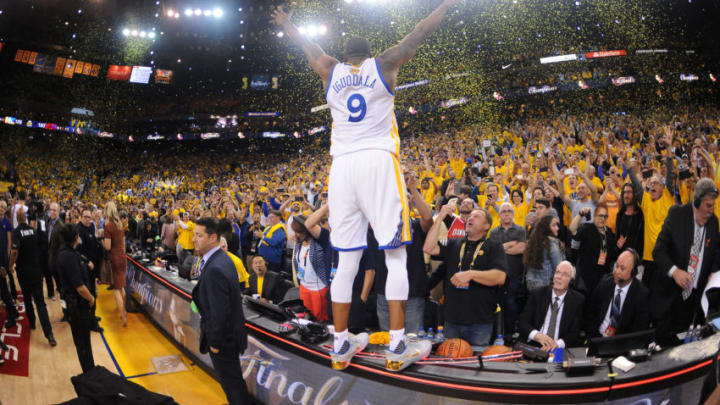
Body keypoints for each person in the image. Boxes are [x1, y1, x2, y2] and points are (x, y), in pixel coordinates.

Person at [272, 0, 464, 371]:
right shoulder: (385, 64)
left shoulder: (329, 70)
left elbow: (309, 49)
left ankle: (341, 344)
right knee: (394, 257)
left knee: (347, 261)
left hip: (341, 168)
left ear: (344, 57)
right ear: (369, 55)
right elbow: (418, 34)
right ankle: (396, 345)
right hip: (378, 161)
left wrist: (287, 24)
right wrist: (445, 6)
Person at [424, 206, 507, 348]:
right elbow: (428, 248)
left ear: (487, 226)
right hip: (451, 321)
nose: (471, 218)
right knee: (450, 364)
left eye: (477, 216)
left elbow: (500, 277)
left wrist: (471, 274)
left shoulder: (494, 246)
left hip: (479, 323)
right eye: (470, 216)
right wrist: (440, 218)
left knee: (474, 367)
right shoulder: (455, 243)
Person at [651, 178, 720, 346]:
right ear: (697, 201)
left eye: (713, 205)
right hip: (669, 298)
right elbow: (658, 250)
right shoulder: (677, 214)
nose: (712, 210)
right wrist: (674, 271)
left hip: (694, 301)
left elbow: (716, 252)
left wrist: (713, 271)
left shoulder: (713, 222)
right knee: (666, 348)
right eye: (708, 205)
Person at [191, 217, 251, 404]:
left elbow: (219, 312)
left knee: (232, 385)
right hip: (229, 335)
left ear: (213, 238)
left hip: (224, 340)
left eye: (199, 235)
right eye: (194, 235)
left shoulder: (216, 266)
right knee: (233, 383)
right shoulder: (221, 259)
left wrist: (215, 342)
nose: (194, 239)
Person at [376, 173, 433, 334]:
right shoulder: (380, 226)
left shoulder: (415, 226)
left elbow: (428, 218)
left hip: (412, 293)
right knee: (388, 341)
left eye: (403, 201)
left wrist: (413, 189)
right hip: (384, 292)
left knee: (412, 340)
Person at [10, 208, 56, 346]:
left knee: (27, 298)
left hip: (23, 272)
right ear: (25, 218)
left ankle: (33, 323)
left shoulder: (16, 232)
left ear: (17, 219)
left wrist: (11, 264)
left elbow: (14, 251)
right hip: (36, 270)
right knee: (40, 303)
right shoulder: (33, 231)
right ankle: (49, 335)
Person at [54, 224, 96, 372]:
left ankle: (89, 372)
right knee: (83, 343)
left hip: (72, 304)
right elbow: (80, 287)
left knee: (82, 342)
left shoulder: (66, 252)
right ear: (75, 238)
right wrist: (91, 299)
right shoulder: (69, 257)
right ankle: (89, 375)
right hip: (77, 306)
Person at [518, 261, 585, 351]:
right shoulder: (538, 294)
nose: (559, 277)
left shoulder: (577, 300)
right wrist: (537, 335)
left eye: (565, 274)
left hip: (559, 348)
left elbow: (574, 332)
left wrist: (558, 344)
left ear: (571, 280)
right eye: (557, 272)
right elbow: (523, 323)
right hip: (534, 344)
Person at [586, 249, 650, 338]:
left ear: (633, 272)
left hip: (622, 343)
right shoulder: (605, 282)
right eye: (616, 266)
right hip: (598, 339)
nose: (616, 271)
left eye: (622, 268)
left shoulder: (641, 294)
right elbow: (591, 314)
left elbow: (639, 329)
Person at [488, 202, 527, 338]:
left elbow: (521, 248)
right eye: (504, 211)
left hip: (514, 272)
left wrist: (501, 248)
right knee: (497, 302)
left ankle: (509, 333)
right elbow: (492, 252)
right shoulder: (493, 231)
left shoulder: (520, 230)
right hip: (497, 273)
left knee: (511, 302)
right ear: (499, 214)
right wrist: (510, 245)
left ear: (513, 214)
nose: (506, 213)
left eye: (509, 211)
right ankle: (496, 332)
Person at [569, 203, 618, 297]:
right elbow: (572, 229)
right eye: (600, 215)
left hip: (602, 274)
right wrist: (580, 214)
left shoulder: (609, 232)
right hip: (586, 275)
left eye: (605, 216)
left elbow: (612, 253)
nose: (602, 219)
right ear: (595, 216)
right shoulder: (587, 228)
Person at [75, 209, 104, 332]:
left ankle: (91, 316)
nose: (87, 219)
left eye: (89, 217)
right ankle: (90, 322)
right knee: (90, 293)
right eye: (85, 217)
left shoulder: (91, 226)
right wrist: (87, 262)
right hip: (85, 268)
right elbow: (78, 251)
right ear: (81, 217)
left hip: (94, 267)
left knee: (94, 292)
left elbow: (93, 242)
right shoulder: (79, 230)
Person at [523, 214, 564, 291]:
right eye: (554, 225)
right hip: (546, 286)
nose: (557, 228)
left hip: (530, 285)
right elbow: (559, 268)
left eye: (557, 225)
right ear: (547, 228)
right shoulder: (553, 244)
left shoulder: (533, 242)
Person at [103, 201, 128, 327]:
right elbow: (123, 243)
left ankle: (123, 315)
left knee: (117, 289)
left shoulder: (108, 226)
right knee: (122, 286)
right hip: (122, 256)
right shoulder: (120, 224)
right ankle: (124, 310)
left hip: (114, 257)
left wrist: (102, 241)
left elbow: (107, 247)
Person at [614, 182, 644, 258]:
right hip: (621, 255)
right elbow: (617, 236)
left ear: (634, 194)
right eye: (624, 192)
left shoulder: (640, 214)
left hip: (636, 257)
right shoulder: (620, 214)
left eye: (629, 192)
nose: (626, 195)